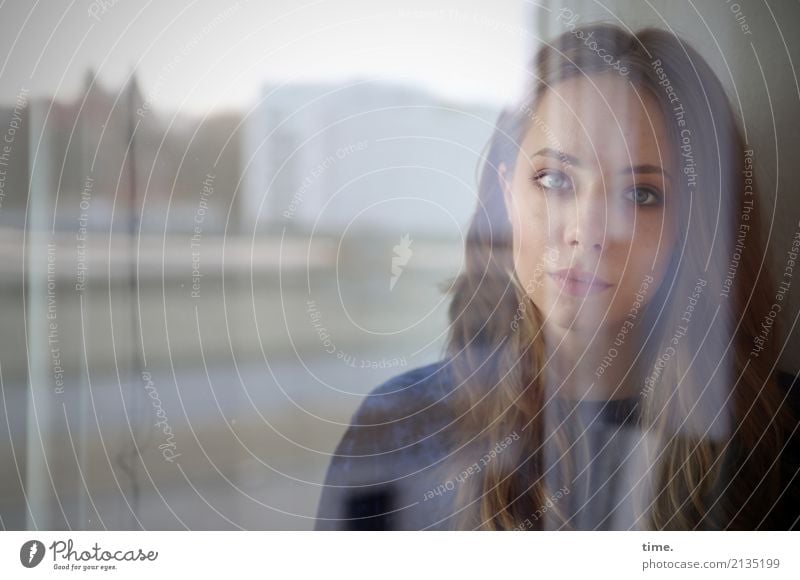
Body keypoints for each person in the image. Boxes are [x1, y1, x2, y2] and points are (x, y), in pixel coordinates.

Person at [315, 23, 800, 531]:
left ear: (697, 225)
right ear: (506, 194)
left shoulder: (783, 441)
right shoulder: (396, 429)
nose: (588, 232)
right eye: (554, 180)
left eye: (642, 195)